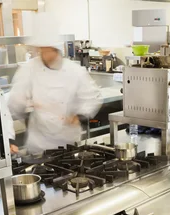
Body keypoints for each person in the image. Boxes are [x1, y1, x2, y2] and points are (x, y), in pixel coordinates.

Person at [7, 13, 102, 154]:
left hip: (68, 142)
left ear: (56, 49)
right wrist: (24, 113)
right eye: (42, 50)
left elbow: (94, 97)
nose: (45, 55)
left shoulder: (74, 70)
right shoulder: (29, 69)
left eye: (49, 50)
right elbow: (14, 101)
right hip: (39, 145)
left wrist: (79, 115)